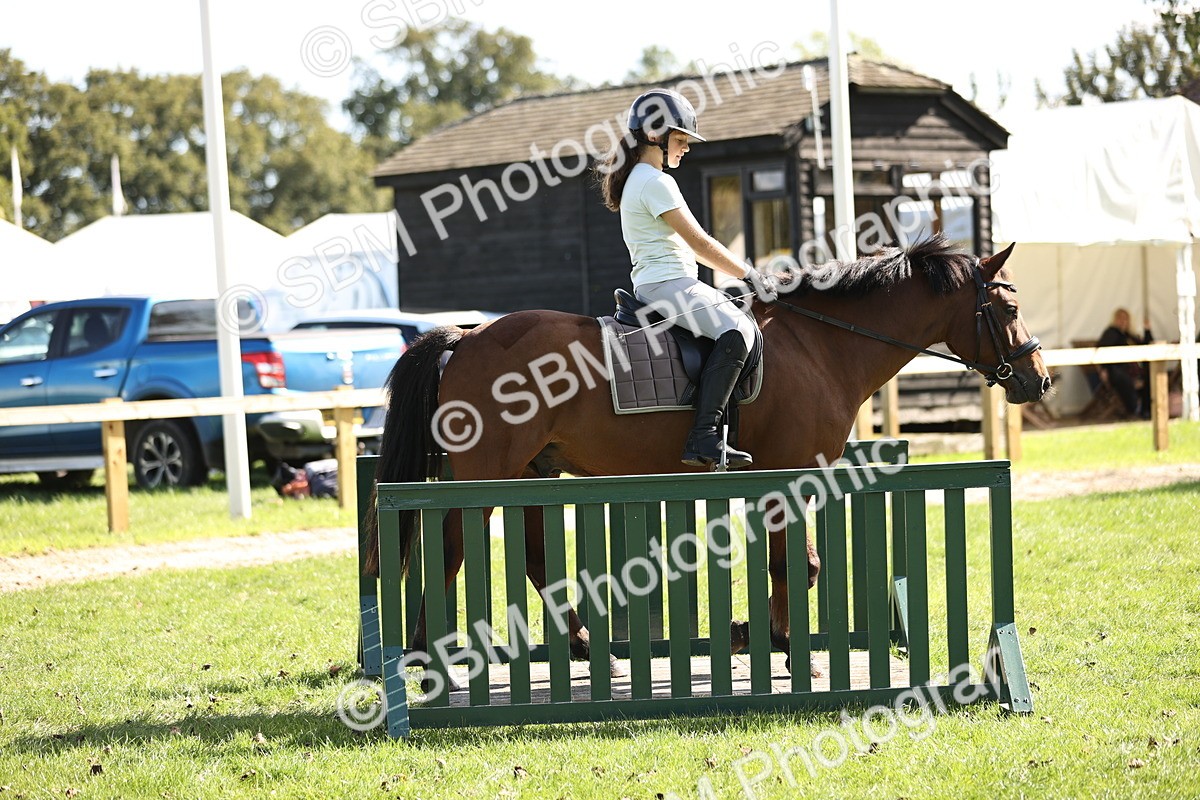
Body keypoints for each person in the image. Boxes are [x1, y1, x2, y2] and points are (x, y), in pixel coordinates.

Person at [595, 88, 777, 470]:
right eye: (680, 140)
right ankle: (704, 437)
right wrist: (751, 275)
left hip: (665, 281)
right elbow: (700, 242)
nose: (686, 148)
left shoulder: (641, 178)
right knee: (739, 330)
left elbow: (692, 248)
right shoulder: (654, 181)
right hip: (667, 284)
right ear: (654, 136)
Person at [1098, 308, 1152, 417]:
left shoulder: (1128, 335)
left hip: (1133, 370)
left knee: (1150, 375)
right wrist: (1103, 369)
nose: (1123, 321)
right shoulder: (1111, 333)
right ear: (1115, 319)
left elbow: (1146, 345)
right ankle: (1134, 409)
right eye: (1120, 318)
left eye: (1125, 319)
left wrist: (1147, 331)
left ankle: (1146, 410)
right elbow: (1101, 350)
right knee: (1124, 379)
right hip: (1117, 371)